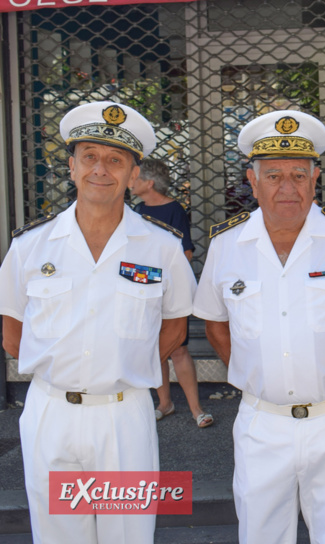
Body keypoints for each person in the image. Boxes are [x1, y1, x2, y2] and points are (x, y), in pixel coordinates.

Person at [0, 101, 196, 543]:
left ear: (133, 174)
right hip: (51, 414)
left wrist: (121, 367)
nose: (100, 170)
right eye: (89, 157)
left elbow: (174, 328)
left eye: (115, 160)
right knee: (58, 536)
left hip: (122, 416)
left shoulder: (161, 247)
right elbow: (12, 334)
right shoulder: (31, 246)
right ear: (72, 166)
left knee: (126, 534)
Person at [193, 109, 325, 544]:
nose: (287, 188)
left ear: (315, 179)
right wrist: (257, 373)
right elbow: (215, 325)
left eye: (299, 175)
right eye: (274, 176)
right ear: (252, 181)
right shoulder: (227, 245)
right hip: (262, 422)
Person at [129, 158, 214, 428]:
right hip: (144, 291)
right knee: (154, 348)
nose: (130, 183)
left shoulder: (174, 209)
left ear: (149, 183)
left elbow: (185, 253)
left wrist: (157, 275)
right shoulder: (136, 211)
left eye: (136, 178)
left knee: (178, 348)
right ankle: (164, 404)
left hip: (168, 290)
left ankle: (196, 409)